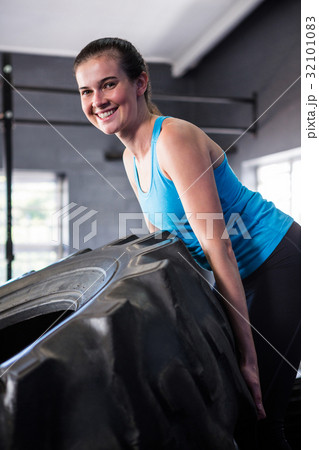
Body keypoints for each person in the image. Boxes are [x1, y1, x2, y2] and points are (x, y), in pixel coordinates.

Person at [74, 37, 300, 449]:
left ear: (140, 83)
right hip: (242, 275)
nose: (97, 100)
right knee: (235, 413)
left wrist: (247, 360)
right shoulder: (131, 157)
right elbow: (169, 244)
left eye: (108, 84)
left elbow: (220, 248)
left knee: (259, 415)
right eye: (86, 91)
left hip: (279, 261)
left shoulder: (173, 140)